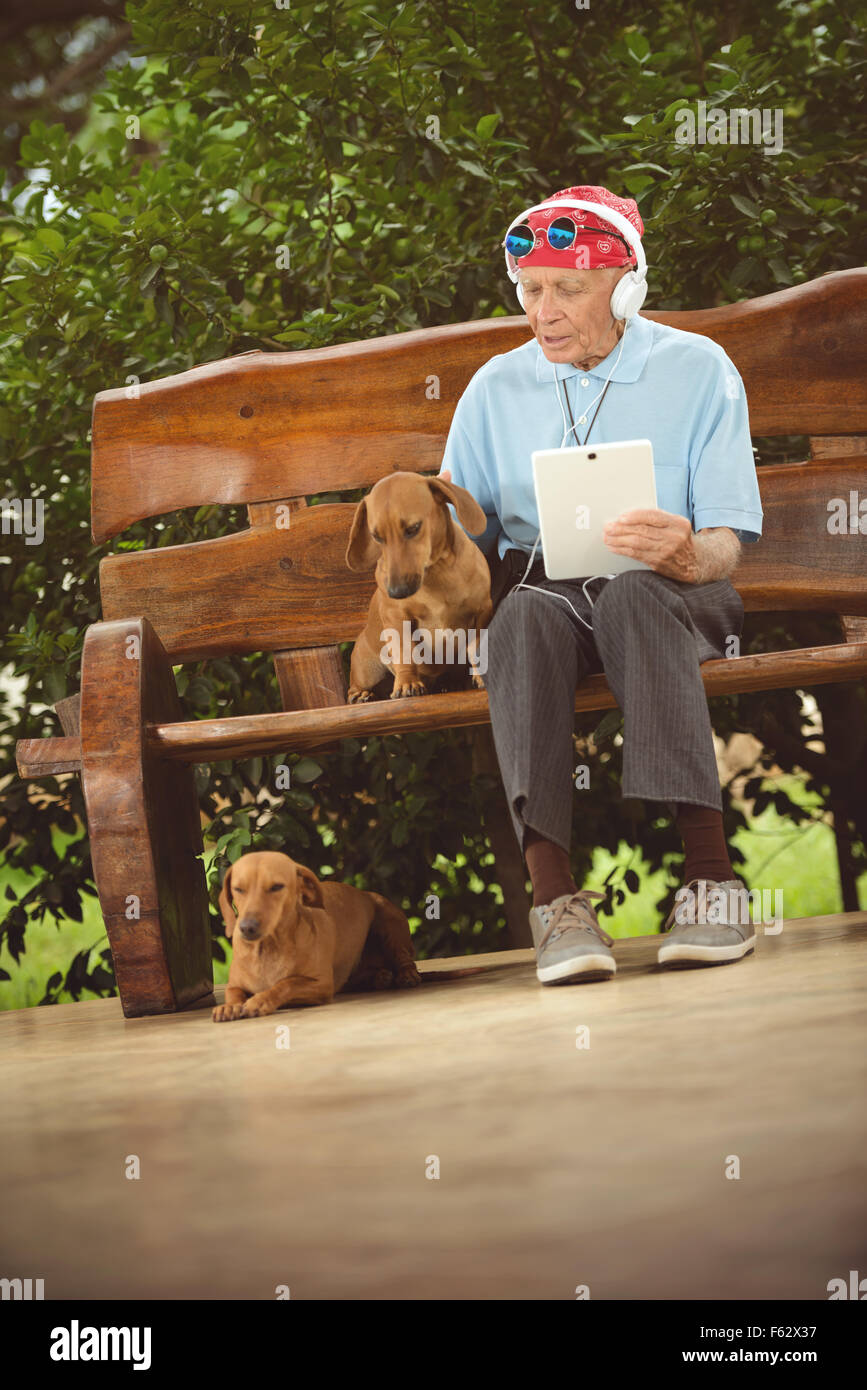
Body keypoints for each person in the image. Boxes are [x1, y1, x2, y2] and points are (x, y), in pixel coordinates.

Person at [438, 184, 764, 986]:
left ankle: (710, 881)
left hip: (679, 589)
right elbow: (462, 537)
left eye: (566, 289)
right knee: (520, 620)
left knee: (633, 596)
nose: (542, 312)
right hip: (551, 591)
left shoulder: (698, 369)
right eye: (530, 291)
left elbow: (728, 536)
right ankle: (556, 905)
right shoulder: (493, 390)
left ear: (625, 287)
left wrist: (690, 552)